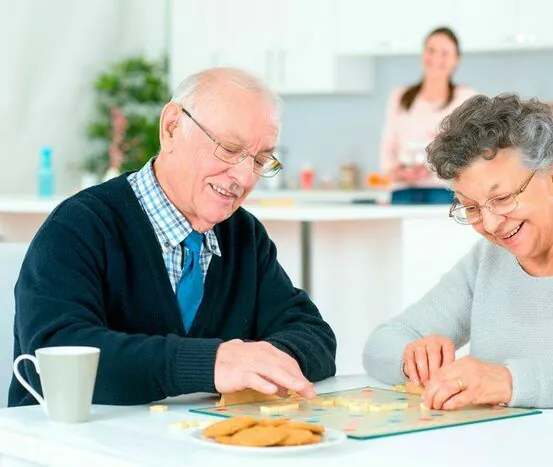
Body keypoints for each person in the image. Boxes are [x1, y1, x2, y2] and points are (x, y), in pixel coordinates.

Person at [9, 68, 337, 407]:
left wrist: (254, 363)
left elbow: (316, 338)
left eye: (260, 159)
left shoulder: (244, 236)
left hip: (186, 446)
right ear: (171, 128)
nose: (244, 175)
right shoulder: (79, 226)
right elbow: (57, 358)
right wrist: (211, 363)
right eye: (228, 148)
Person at [363, 93, 553, 409]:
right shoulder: (487, 260)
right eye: (471, 207)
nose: (491, 223)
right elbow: (382, 343)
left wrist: (507, 382)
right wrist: (413, 358)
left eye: (502, 198)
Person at [379, 26, 478, 205]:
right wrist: (397, 171)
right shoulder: (399, 96)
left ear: (456, 60)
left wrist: (434, 169)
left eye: (445, 53)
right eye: (431, 50)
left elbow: (473, 150)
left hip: (444, 191)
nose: (436, 58)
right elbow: (388, 145)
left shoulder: (465, 97)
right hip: (403, 191)